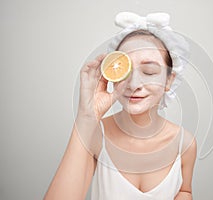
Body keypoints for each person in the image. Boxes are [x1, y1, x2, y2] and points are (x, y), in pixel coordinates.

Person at [44, 12, 197, 200]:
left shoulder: (185, 143)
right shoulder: (96, 134)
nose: (133, 84)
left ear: (169, 81)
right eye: (124, 71)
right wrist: (86, 116)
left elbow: (184, 190)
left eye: (149, 72)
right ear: (111, 74)